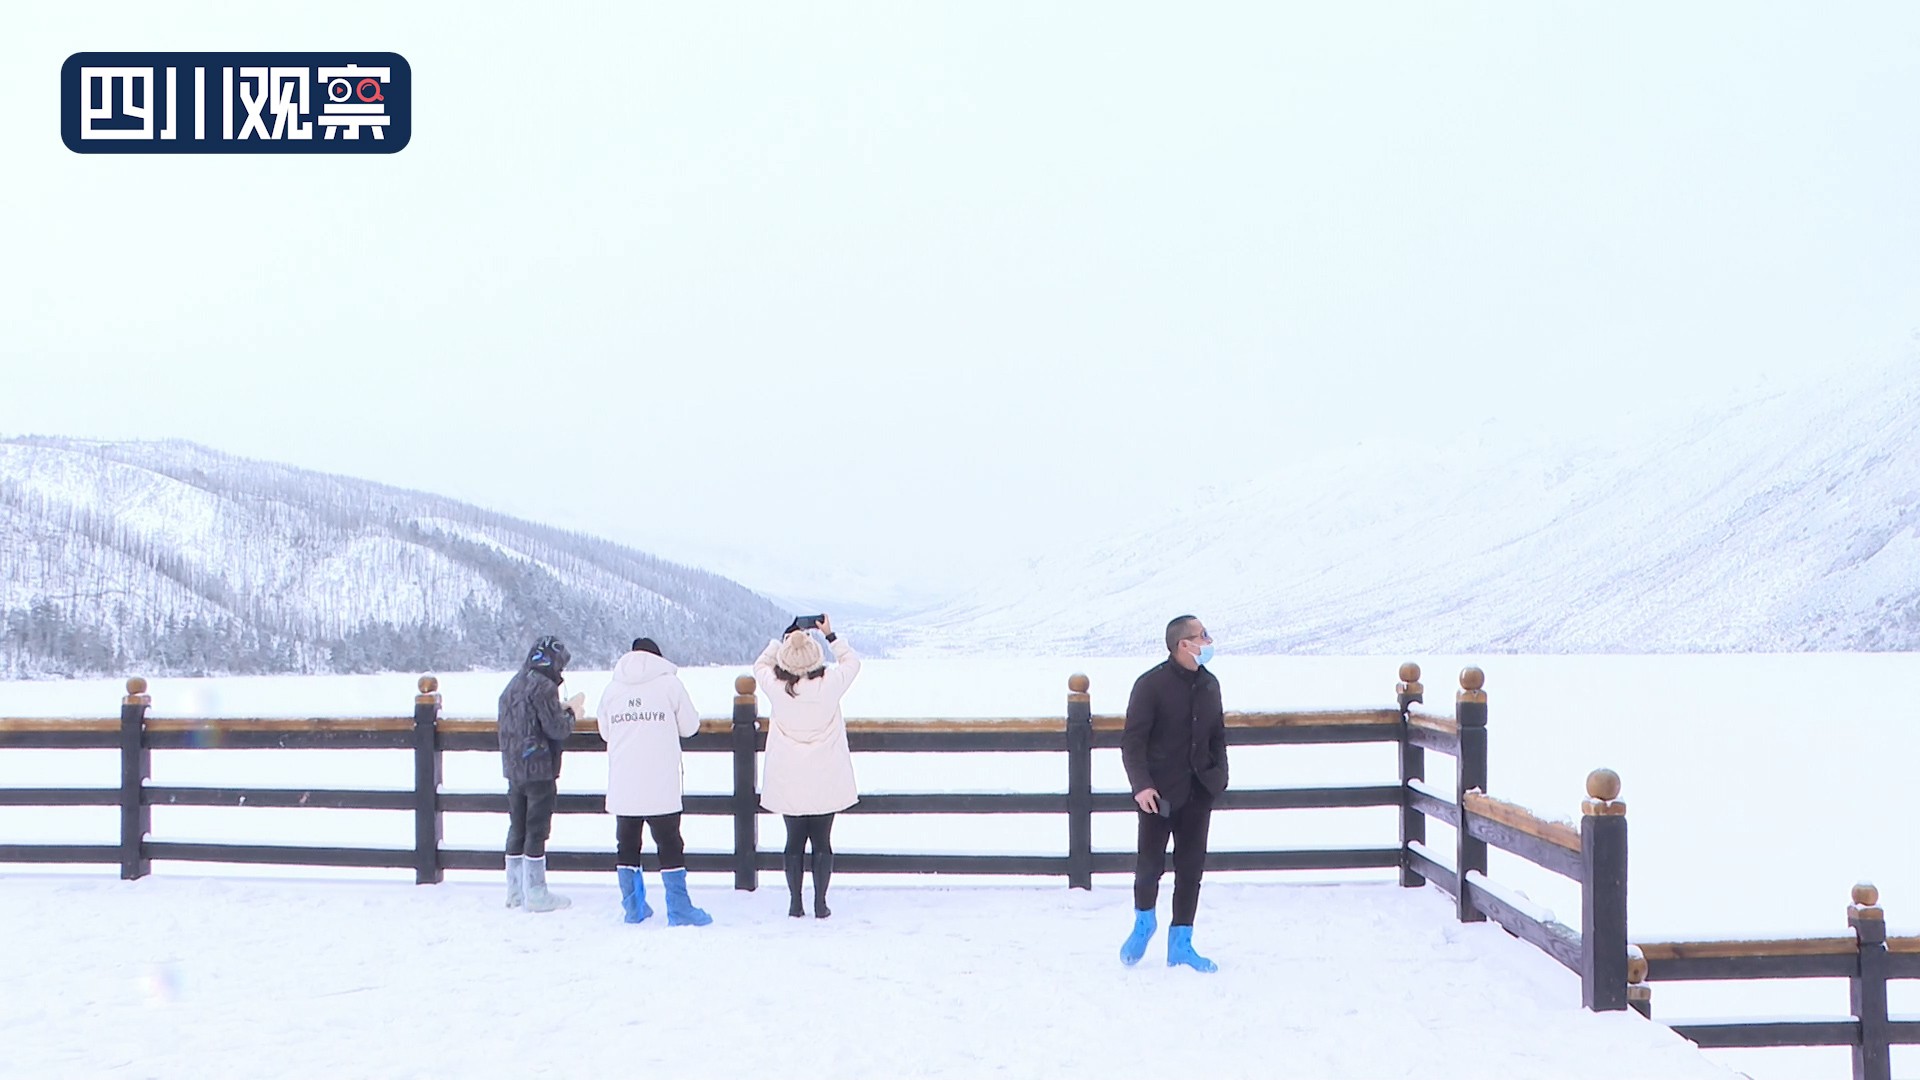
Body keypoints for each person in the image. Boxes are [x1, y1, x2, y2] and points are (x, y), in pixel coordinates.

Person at [1118, 615, 1228, 972]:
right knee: (1149, 865)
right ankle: (1144, 922)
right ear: (1184, 644)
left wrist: (1219, 776)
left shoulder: (1210, 684)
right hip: (1159, 796)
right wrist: (1142, 785)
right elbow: (1133, 742)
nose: (1208, 641)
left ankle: (1181, 943)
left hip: (1199, 792)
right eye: (1202, 635)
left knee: (1191, 869)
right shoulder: (1151, 685)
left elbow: (1217, 735)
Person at [596, 636, 711, 926]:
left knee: (627, 843)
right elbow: (690, 726)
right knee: (670, 843)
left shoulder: (612, 689)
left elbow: (605, 732)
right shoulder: (670, 685)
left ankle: (633, 907)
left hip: (624, 780)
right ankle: (679, 909)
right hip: (660, 780)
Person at [753, 615, 861, 919]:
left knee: (794, 841)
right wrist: (830, 635)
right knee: (822, 841)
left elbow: (760, 665)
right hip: (826, 777)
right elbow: (851, 662)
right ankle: (820, 903)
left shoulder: (777, 688)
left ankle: (795, 903)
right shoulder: (830, 685)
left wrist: (784, 640)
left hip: (789, 779)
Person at [497, 634, 584, 913]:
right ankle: (536, 892)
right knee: (537, 829)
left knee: (517, 827)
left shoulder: (515, 683)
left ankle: (515, 891)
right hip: (539, 769)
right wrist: (573, 713)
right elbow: (557, 729)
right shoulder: (544, 686)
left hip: (514, 769)